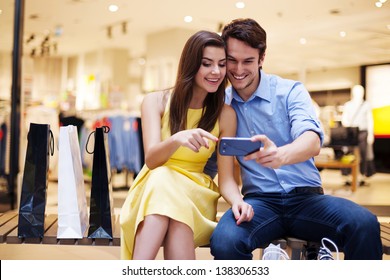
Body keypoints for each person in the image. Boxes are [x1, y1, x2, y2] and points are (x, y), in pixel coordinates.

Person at [209, 18, 382, 260]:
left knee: (364, 224)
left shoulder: (290, 91)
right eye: (232, 61)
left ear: (262, 58)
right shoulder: (221, 104)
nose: (238, 70)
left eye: (248, 61)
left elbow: (312, 140)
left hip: (307, 198)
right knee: (225, 241)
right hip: (260, 202)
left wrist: (280, 155)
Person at [120, 30, 242, 260]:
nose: (216, 71)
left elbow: (226, 177)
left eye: (221, 64)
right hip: (154, 187)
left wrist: (238, 201)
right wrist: (177, 139)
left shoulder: (226, 115)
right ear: (191, 64)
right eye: (207, 64)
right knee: (163, 180)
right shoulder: (154, 102)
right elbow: (152, 160)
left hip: (195, 192)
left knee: (172, 202)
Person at [341, 85, 376, 186]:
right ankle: (348, 177)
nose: (359, 94)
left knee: (364, 155)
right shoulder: (348, 105)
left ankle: (362, 176)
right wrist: (348, 126)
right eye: (357, 92)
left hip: (363, 132)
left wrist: (370, 134)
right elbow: (344, 118)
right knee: (349, 155)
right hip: (351, 132)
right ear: (353, 93)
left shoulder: (366, 105)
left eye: (360, 92)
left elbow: (370, 120)